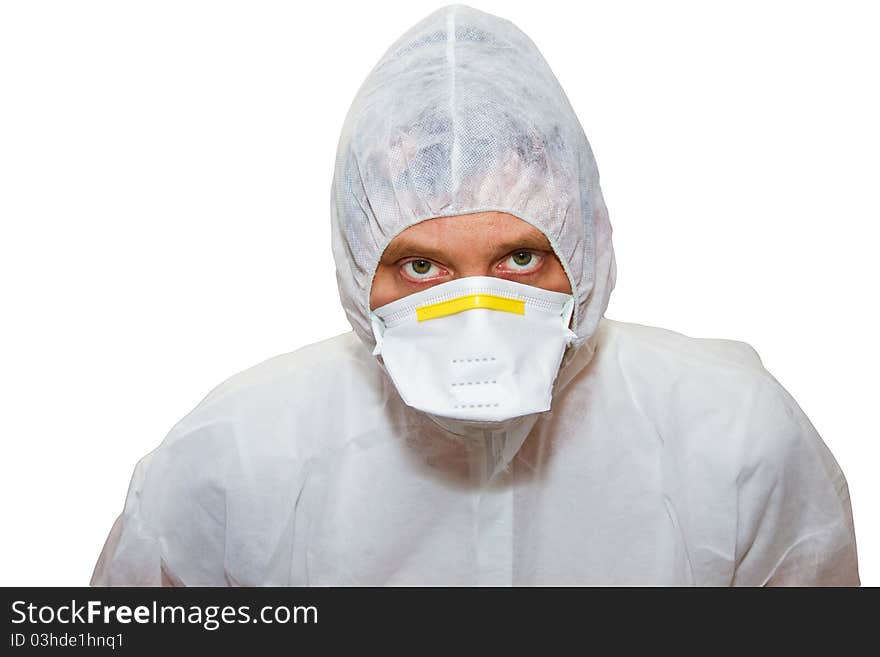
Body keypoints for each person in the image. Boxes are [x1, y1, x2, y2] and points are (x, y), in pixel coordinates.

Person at [90, 4, 860, 586]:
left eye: (520, 257)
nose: (476, 317)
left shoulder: (732, 440)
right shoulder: (234, 459)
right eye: (422, 268)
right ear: (359, 265)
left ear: (584, 244)